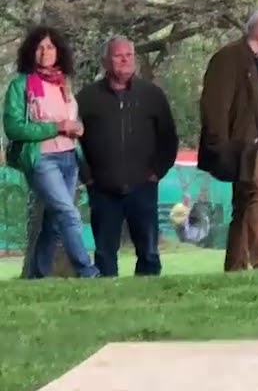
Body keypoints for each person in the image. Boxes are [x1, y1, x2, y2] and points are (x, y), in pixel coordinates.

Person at [197, 9, 258, 272]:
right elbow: (215, 105)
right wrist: (221, 146)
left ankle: (236, 265)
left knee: (244, 204)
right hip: (245, 146)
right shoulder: (230, 58)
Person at [77, 36, 180, 276]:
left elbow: (168, 138)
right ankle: (107, 300)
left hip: (143, 186)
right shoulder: (87, 98)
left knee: (149, 252)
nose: (125, 60)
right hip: (102, 189)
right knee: (104, 253)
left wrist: (156, 172)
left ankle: (150, 299)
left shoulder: (152, 95)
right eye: (118, 55)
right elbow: (72, 142)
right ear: (105, 61)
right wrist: (88, 177)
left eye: (129, 55)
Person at [2, 25, 99, 278]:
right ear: (30, 52)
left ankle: (38, 276)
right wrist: (56, 127)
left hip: (69, 158)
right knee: (68, 213)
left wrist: (76, 127)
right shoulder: (20, 86)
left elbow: (69, 119)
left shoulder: (63, 84)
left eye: (50, 47)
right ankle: (88, 271)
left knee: (55, 222)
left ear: (59, 52)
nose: (45, 52)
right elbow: (14, 128)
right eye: (39, 47)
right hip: (42, 160)